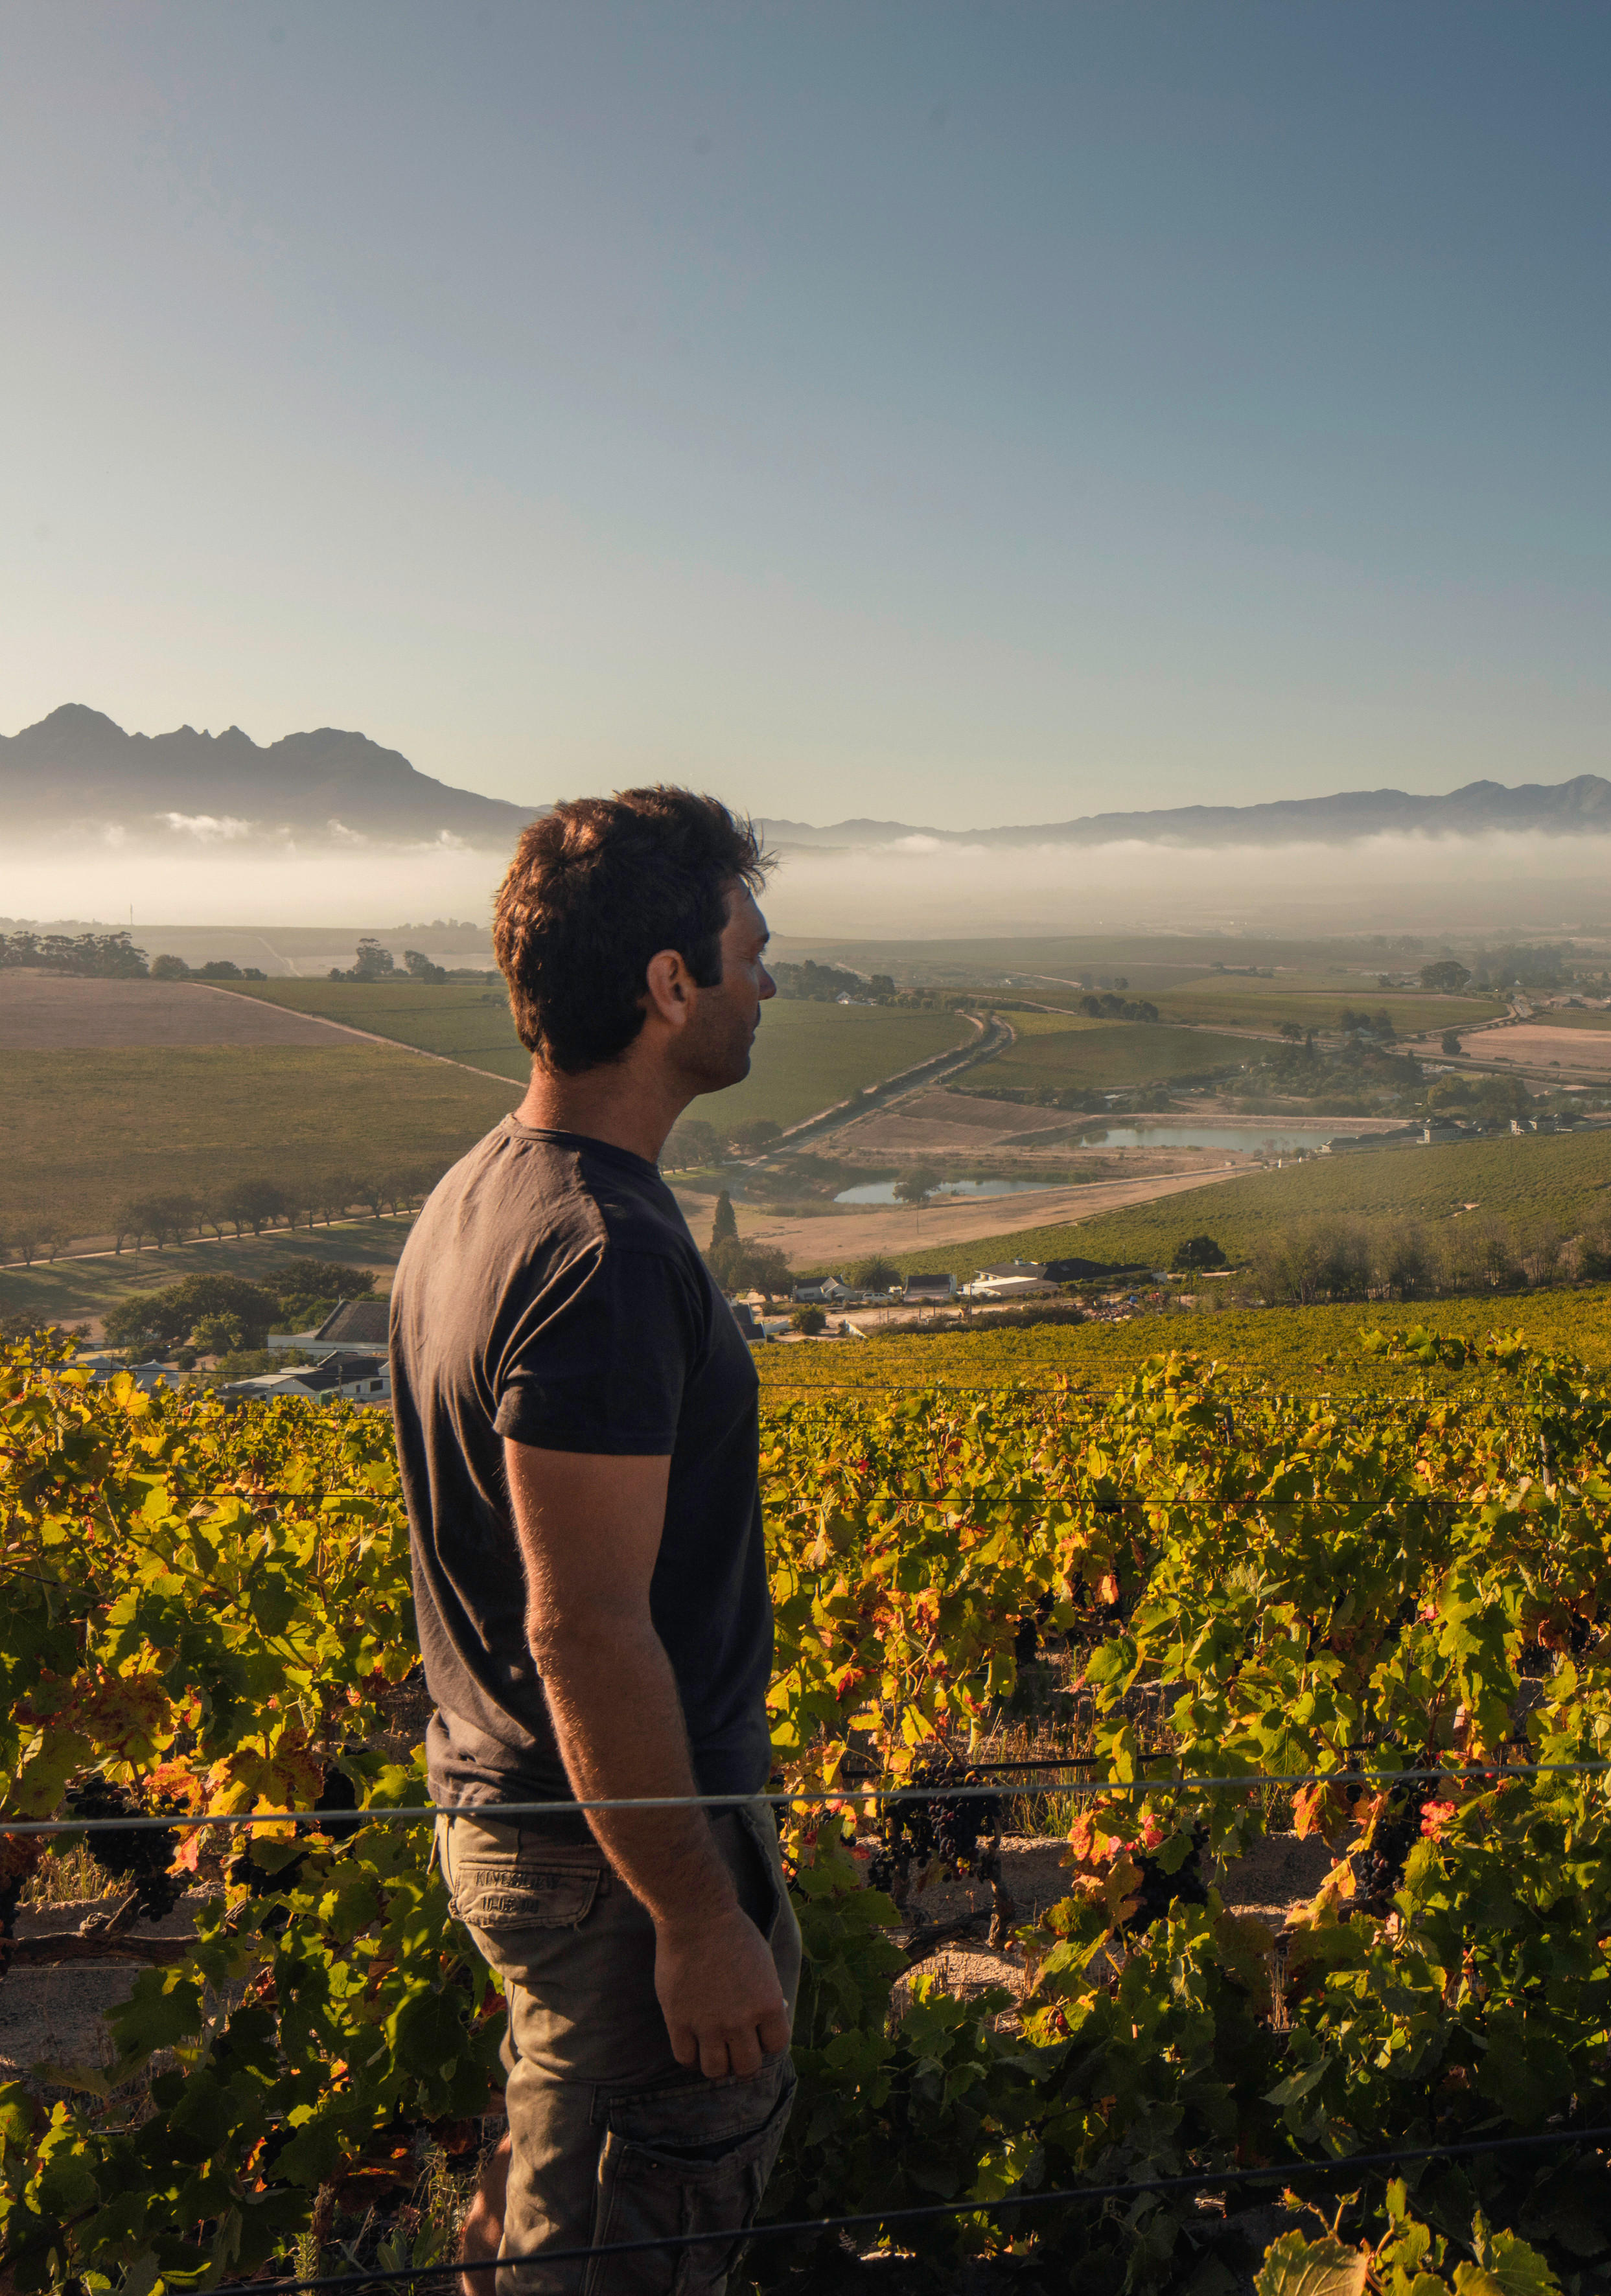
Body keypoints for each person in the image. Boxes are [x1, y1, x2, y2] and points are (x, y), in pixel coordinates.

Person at [387, 788, 793, 2296]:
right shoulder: (604, 1254)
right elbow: (586, 1626)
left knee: (550, 2217)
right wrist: (697, 1913)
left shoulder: (479, 1194)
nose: (768, 982)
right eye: (749, 952)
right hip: (610, 1869)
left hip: (533, 1838)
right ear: (668, 985)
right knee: (628, 2242)